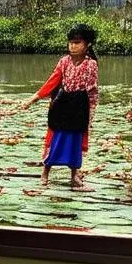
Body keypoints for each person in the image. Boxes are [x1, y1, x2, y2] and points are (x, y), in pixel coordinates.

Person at [22, 23, 98, 190]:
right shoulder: (64, 62)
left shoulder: (91, 64)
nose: (73, 46)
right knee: (55, 139)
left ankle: (74, 177)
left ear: (87, 45)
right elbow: (52, 82)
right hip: (62, 106)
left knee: (75, 143)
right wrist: (32, 99)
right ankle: (45, 173)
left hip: (79, 107)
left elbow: (92, 91)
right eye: (70, 42)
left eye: (77, 43)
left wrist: (91, 115)